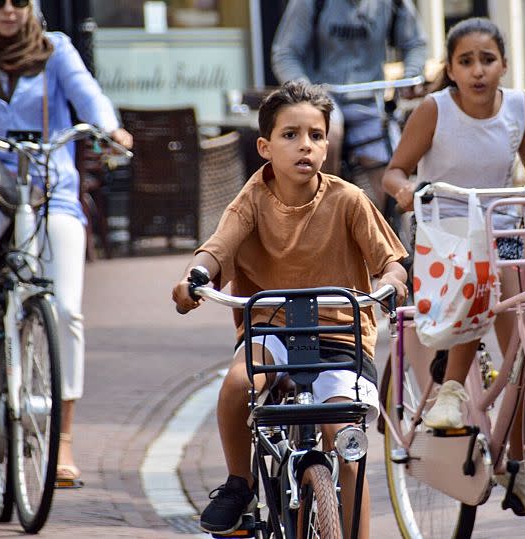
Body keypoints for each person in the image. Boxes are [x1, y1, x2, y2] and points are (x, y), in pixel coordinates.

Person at [171, 81, 408, 538]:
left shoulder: (348, 200)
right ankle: (239, 485)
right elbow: (216, 251)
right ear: (265, 146)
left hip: (341, 336)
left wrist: (390, 283)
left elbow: (392, 262)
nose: (306, 145)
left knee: (348, 442)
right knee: (238, 384)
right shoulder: (251, 202)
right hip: (271, 333)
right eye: (290, 135)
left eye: (316, 136)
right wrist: (194, 278)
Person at [382, 17, 525, 519]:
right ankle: (450, 392)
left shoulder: (518, 107)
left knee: (522, 351)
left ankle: (517, 468)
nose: (477, 71)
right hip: (445, 236)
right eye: (465, 61)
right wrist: (405, 192)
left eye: (487, 60)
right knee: (479, 280)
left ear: (504, 65)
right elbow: (393, 171)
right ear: (449, 69)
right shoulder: (435, 111)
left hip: (502, 228)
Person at [0, 0, 132, 486]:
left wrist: (109, 129)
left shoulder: (57, 50)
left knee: (67, 310)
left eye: (19, 0)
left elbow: (90, 99)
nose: (9, 9)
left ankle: (64, 441)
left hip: (51, 186)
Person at [271, 0, 427, 209]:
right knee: (328, 136)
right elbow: (285, 53)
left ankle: (387, 227)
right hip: (322, 98)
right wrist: (305, 93)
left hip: (370, 101)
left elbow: (415, 43)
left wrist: (410, 75)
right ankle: (319, 213)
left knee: (392, 162)